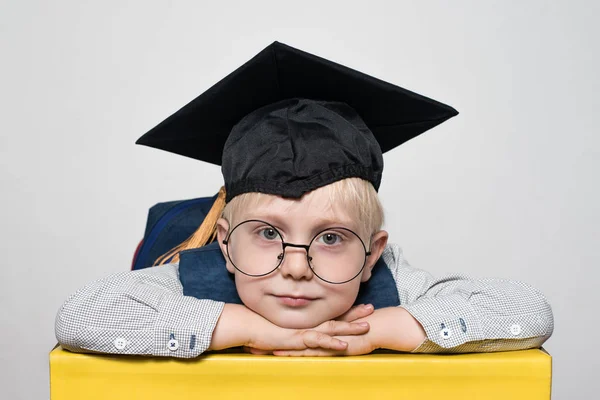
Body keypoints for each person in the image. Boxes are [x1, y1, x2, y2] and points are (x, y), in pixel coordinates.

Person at [55, 42, 553, 358]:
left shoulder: (393, 288)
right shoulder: (190, 280)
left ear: (372, 253)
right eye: (268, 233)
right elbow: (81, 316)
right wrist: (246, 327)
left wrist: (385, 327)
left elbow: (529, 311)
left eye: (331, 237)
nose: (296, 268)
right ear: (226, 244)